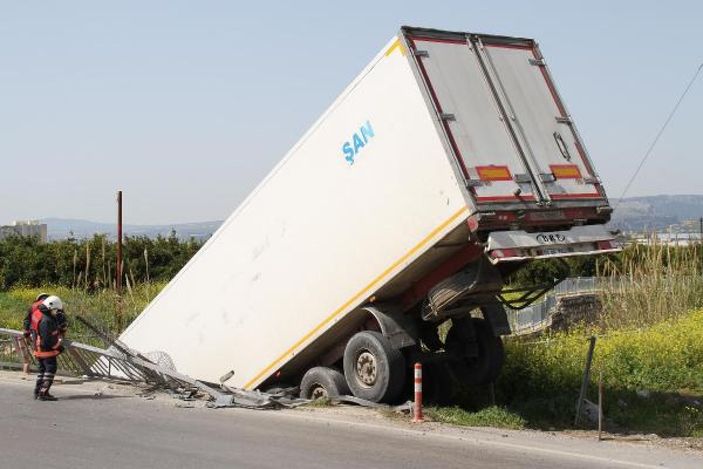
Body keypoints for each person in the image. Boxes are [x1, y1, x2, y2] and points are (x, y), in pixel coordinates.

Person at [33, 295, 66, 401]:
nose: (56, 313)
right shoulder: (46, 321)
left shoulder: (40, 314)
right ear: (51, 307)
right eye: (56, 310)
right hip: (46, 351)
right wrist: (58, 348)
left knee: (42, 371)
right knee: (50, 370)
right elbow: (48, 339)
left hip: (38, 348)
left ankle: (37, 392)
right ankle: (43, 393)